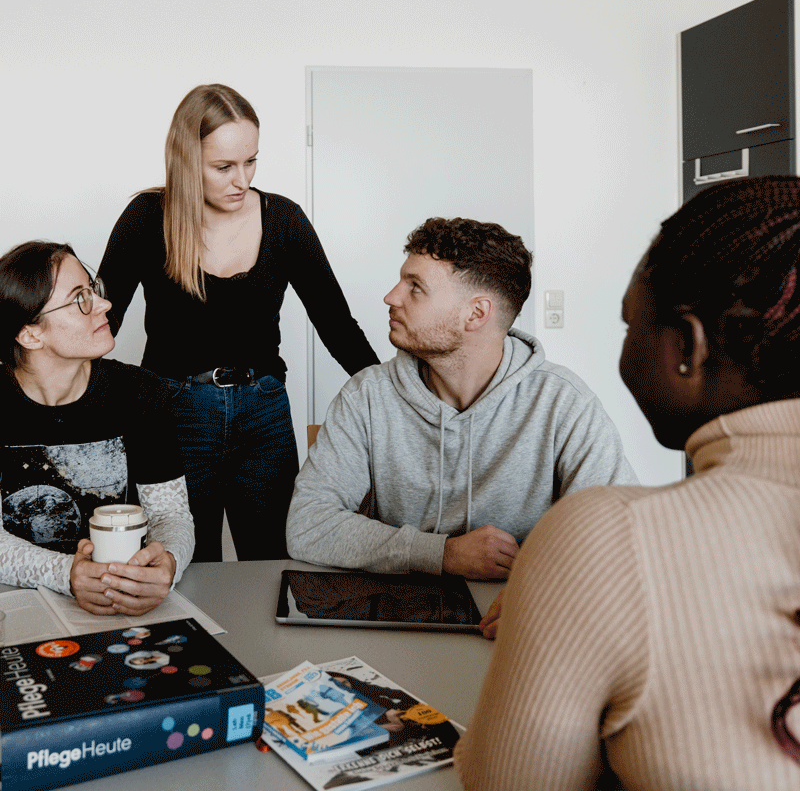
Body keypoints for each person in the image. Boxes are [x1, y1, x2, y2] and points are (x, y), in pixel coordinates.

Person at [454, 176, 800, 790]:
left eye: (628, 327)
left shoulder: (602, 534)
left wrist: (561, 598)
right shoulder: (368, 396)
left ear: (687, 348)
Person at [99, 83, 379, 562]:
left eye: (251, 161)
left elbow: (336, 323)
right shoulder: (147, 218)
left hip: (265, 411)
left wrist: (389, 401)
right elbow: (98, 325)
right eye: (224, 167)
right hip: (174, 413)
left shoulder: (285, 220)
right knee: (189, 564)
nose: (241, 179)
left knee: (275, 560)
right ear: (187, 161)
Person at [286, 216, 637, 597]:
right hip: (397, 616)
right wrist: (442, 554)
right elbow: (308, 525)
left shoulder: (563, 402)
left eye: (415, 287)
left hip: (514, 614)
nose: (391, 297)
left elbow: (620, 536)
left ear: (476, 314)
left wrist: (540, 593)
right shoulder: (365, 396)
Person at [0, 241, 194, 616]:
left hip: (124, 603)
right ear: (30, 335)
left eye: (94, 290)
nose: (104, 305)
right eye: (79, 299)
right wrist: (65, 573)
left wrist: (168, 561)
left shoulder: (141, 393)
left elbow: (171, 515)